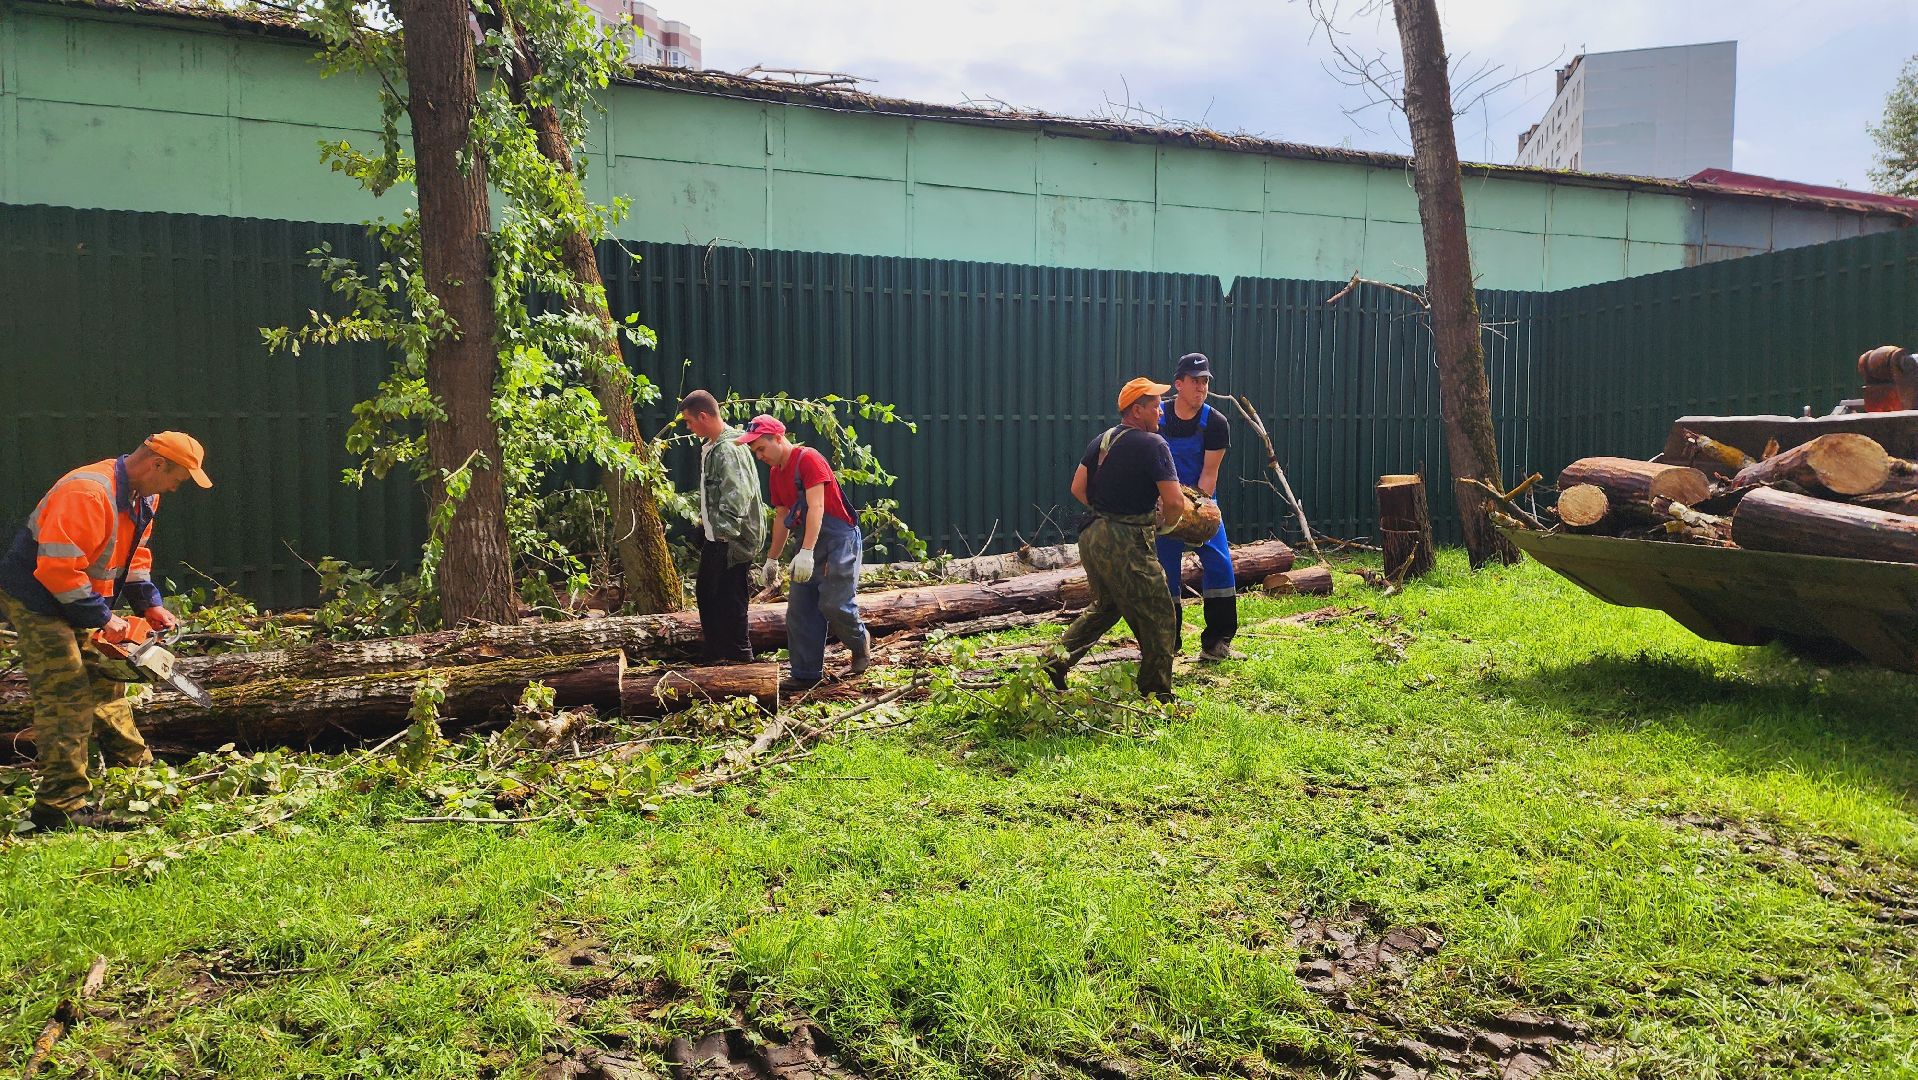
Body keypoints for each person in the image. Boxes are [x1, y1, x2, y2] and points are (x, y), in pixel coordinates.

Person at [0, 433, 212, 831]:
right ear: (157, 464)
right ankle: (58, 808)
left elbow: (135, 556)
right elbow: (57, 569)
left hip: (77, 596)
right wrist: (101, 617)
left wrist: (148, 603)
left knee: (108, 682)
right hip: (37, 598)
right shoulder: (87, 491)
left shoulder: (144, 497)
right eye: (177, 479)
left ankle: (135, 774)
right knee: (67, 695)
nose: (174, 487)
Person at [1047, 378, 1184, 702]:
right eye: (1155, 406)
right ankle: (1157, 693)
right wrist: (1168, 525)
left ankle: (1053, 664)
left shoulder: (1102, 440)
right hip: (1127, 538)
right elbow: (1175, 502)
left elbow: (1078, 488)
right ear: (1137, 410)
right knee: (1160, 614)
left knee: (1106, 607)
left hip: (1093, 535)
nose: (1161, 412)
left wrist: (1108, 510)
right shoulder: (1154, 445)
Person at [736, 415, 871, 693]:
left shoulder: (808, 459)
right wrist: (772, 558)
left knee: (834, 604)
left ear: (777, 438)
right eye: (755, 452)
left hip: (837, 541)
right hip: (807, 544)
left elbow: (817, 507)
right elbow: (782, 514)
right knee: (800, 608)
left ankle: (860, 642)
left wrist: (807, 551)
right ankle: (806, 673)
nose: (759, 456)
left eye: (761, 448)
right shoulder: (776, 473)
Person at [1156, 352, 1238, 661]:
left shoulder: (1216, 423)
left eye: (1205, 382)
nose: (1201, 387)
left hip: (1201, 501)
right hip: (1163, 505)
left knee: (1220, 565)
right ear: (1178, 384)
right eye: (1195, 381)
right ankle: (1166, 644)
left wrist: (1192, 514)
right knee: (1164, 575)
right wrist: (1167, 510)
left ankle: (1217, 643)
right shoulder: (1158, 417)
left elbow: (1209, 475)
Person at [679, 391, 766, 663]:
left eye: (690, 422)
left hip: (732, 539)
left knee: (729, 596)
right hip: (718, 534)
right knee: (709, 593)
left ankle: (740, 655)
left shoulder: (728, 448)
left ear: (703, 416)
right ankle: (717, 653)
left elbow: (737, 494)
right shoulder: (715, 446)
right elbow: (715, 496)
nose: (689, 428)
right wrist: (703, 527)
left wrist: (722, 536)